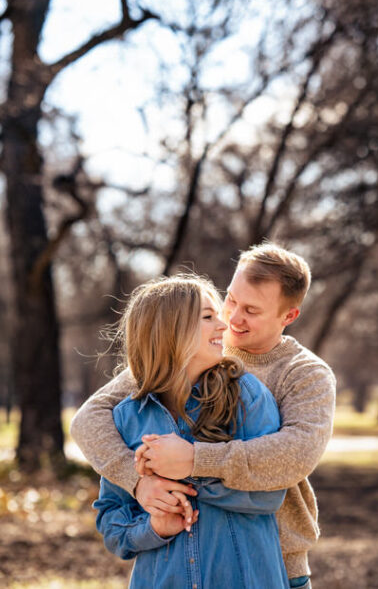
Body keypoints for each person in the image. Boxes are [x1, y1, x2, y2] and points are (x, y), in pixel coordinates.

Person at [72, 244, 336, 589]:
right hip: (177, 560)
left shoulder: (304, 374)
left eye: (252, 310)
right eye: (231, 300)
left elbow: (293, 454)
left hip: (273, 564)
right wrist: (140, 482)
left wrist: (192, 461)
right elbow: (89, 419)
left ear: (288, 317)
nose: (232, 319)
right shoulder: (191, 350)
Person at [92, 273, 288, 588]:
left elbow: (270, 493)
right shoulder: (127, 418)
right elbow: (112, 524)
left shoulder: (247, 395)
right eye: (209, 317)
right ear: (171, 330)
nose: (223, 326)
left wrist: (189, 468)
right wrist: (154, 527)